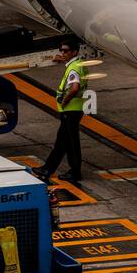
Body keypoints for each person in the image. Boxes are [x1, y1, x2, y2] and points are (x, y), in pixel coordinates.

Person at [38, 43, 88, 183]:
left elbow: (74, 88)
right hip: (75, 110)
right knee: (62, 142)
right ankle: (47, 168)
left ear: (74, 52)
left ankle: (74, 172)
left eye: (65, 51)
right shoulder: (79, 64)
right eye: (61, 50)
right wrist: (63, 59)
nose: (62, 53)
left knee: (71, 144)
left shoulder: (73, 69)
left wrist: (65, 101)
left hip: (70, 111)